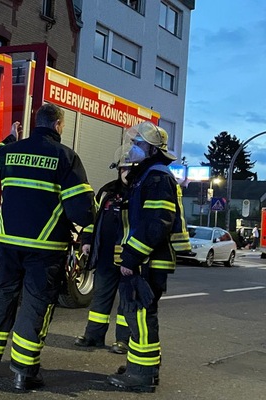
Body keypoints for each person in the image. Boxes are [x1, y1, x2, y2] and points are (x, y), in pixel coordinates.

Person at [0, 103, 95, 391]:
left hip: (7, 246)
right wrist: (89, 228)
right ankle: (23, 373)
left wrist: (9, 140)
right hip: (45, 250)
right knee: (35, 305)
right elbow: (80, 209)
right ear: (58, 126)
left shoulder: (12, 152)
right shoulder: (65, 156)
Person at [106, 121, 186, 392]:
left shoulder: (157, 177)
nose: (133, 148)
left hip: (147, 262)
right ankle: (141, 368)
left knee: (140, 315)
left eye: (138, 144)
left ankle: (140, 377)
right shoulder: (149, 174)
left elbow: (157, 222)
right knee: (137, 316)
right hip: (146, 261)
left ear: (152, 149)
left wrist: (131, 258)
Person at [74, 148, 134, 355]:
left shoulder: (142, 192)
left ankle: (124, 340)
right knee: (100, 297)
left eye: (130, 168)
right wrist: (87, 241)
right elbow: (93, 219)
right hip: (106, 255)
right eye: (124, 168)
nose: (126, 172)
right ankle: (93, 336)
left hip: (129, 258)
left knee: (127, 300)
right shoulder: (107, 191)